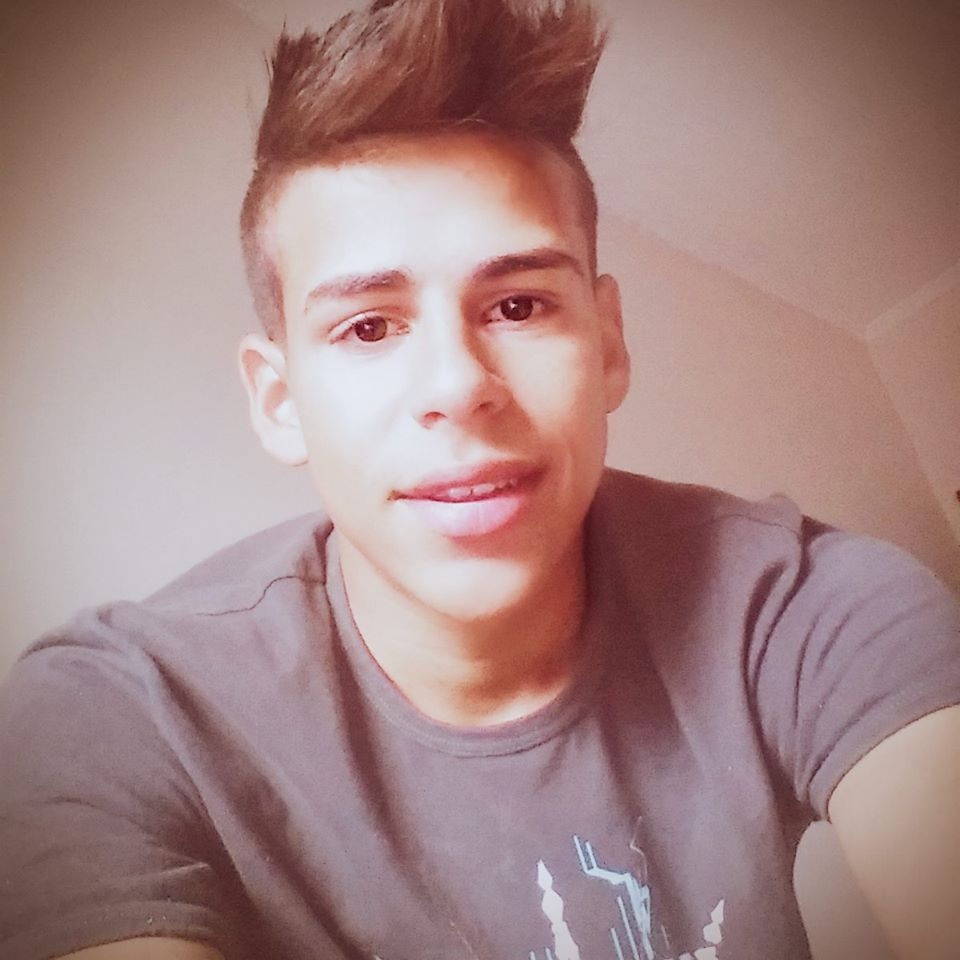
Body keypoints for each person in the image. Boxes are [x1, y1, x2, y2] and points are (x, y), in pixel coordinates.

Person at [1, 1, 958, 958]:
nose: (459, 387)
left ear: (607, 345)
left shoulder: (807, 608)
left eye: (518, 305)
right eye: (368, 326)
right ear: (280, 401)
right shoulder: (119, 720)